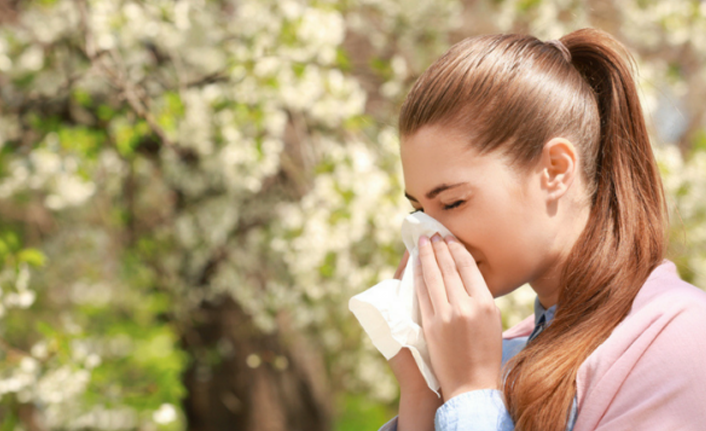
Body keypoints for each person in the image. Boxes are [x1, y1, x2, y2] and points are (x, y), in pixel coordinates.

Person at [378, 28, 706, 431]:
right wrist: (421, 388)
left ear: (555, 171)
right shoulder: (504, 354)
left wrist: (469, 391)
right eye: (418, 210)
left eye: (453, 203)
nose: (430, 236)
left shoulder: (677, 340)